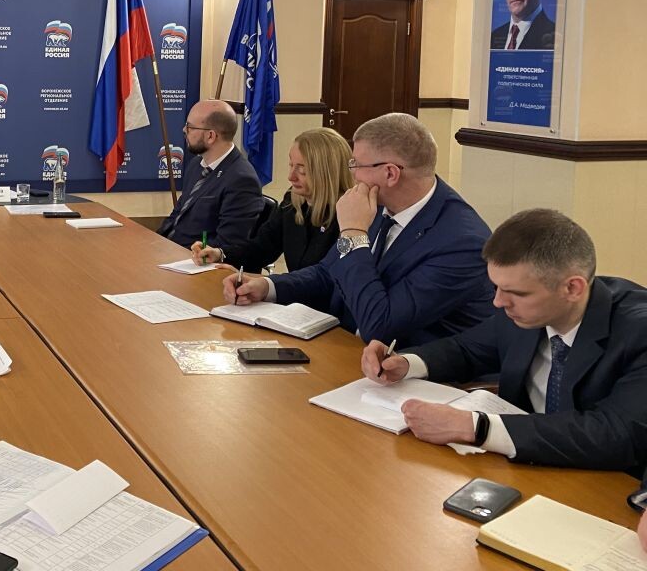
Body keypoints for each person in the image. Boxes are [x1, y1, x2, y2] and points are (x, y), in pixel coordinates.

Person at [362, 209, 647, 475]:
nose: (498, 302)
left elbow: (616, 433)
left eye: (515, 292)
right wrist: (406, 363)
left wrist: (477, 428)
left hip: (606, 483)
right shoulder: (524, 312)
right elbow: (466, 349)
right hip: (526, 469)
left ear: (572, 288)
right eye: (496, 287)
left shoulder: (638, 331)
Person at [224, 113, 494, 346]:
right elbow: (328, 272)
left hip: (414, 373)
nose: (351, 173)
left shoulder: (461, 242)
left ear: (390, 173)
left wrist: (353, 233)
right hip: (347, 350)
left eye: (356, 164)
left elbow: (381, 324)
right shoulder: (380, 204)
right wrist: (267, 286)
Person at [192, 127, 351, 273]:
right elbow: (261, 248)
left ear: (327, 173)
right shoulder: (292, 201)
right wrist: (220, 254)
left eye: (302, 170)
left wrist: (268, 285)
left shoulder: (348, 215)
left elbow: (326, 279)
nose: (291, 177)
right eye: (291, 165)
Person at [157, 99, 263, 251]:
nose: (184, 130)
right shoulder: (196, 164)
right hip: (171, 250)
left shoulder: (241, 179)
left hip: (196, 258)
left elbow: (228, 243)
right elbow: (178, 214)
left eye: (190, 127)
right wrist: (155, 242)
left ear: (210, 136)